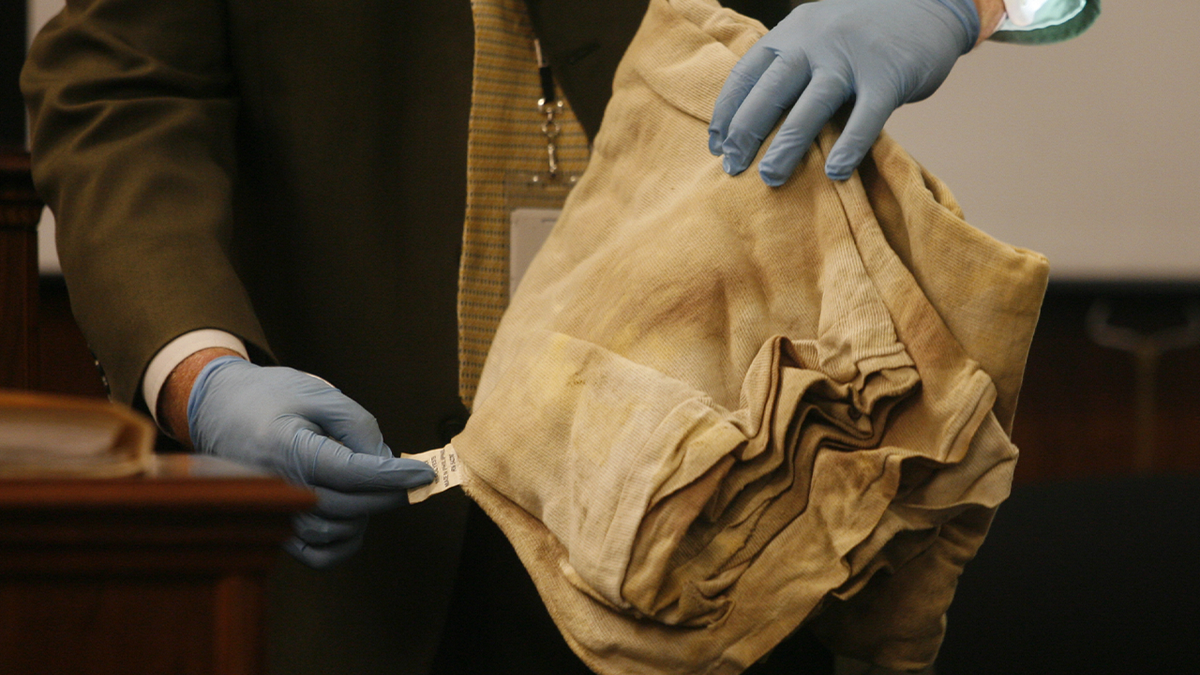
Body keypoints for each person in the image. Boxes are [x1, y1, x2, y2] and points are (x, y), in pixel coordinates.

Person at [21, 0, 1097, 673]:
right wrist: (201, 373)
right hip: (353, 541)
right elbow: (118, 81)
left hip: (728, 518)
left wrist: (962, 1)